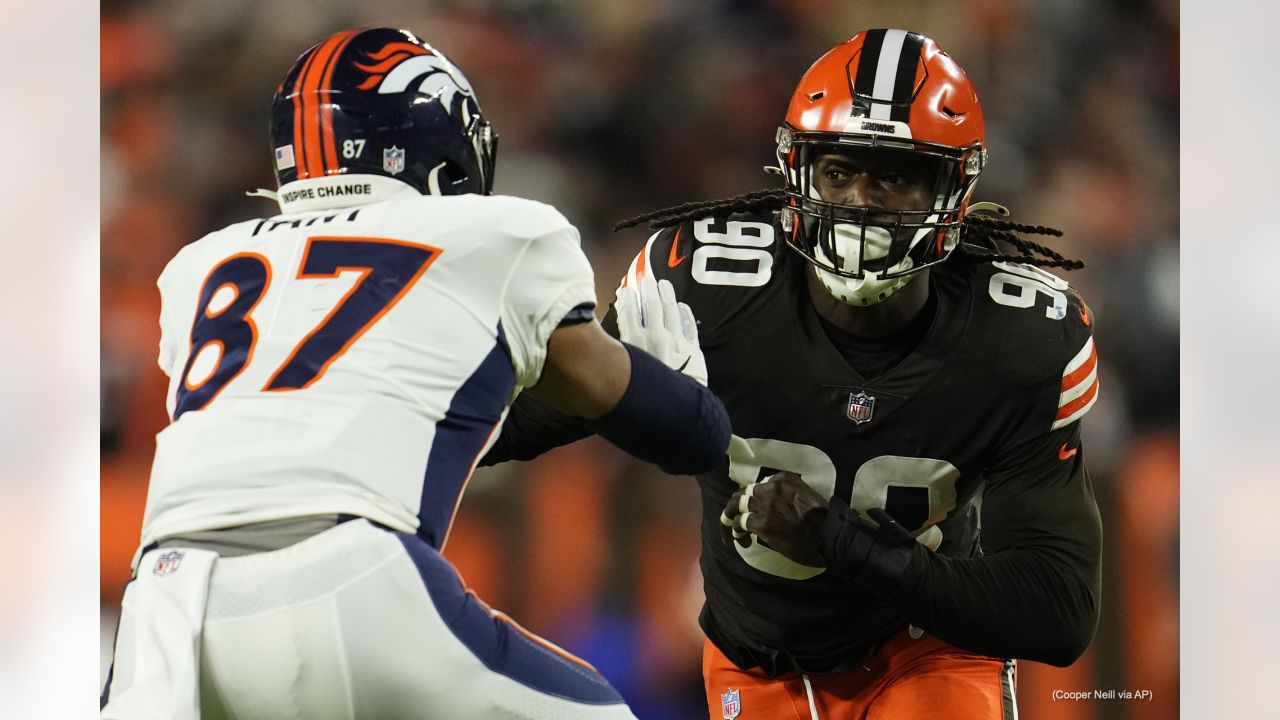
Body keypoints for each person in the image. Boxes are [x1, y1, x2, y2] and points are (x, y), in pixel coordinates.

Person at [100, 27, 730, 720]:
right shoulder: (499, 237)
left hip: (161, 603)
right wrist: (685, 395)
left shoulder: (198, 266)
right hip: (342, 575)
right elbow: (661, 420)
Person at [483, 29, 1103, 719]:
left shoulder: (1016, 338)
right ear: (796, 173)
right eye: (837, 172)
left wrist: (837, 540)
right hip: (758, 662)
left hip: (926, 650)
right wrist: (641, 398)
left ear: (950, 190)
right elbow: (502, 425)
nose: (858, 201)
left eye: (892, 176)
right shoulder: (704, 296)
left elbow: (1056, 610)